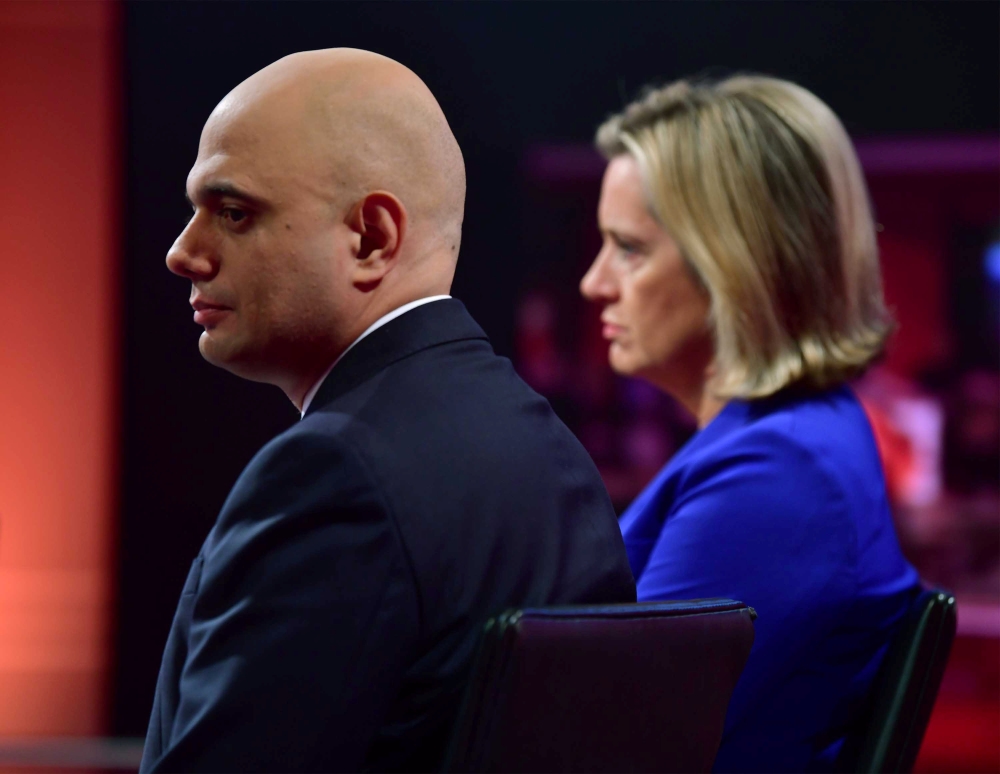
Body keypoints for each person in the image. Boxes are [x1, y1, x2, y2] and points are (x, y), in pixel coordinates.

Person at [142, 48, 635, 773]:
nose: (182, 253)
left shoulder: (334, 474)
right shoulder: (547, 447)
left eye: (234, 213)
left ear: (371, 238)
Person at [580, 75, 920, 772]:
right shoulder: (788, 440)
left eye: (629, 248)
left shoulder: (780, 474)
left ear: (735, 263)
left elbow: (603, 746)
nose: (595, 283)